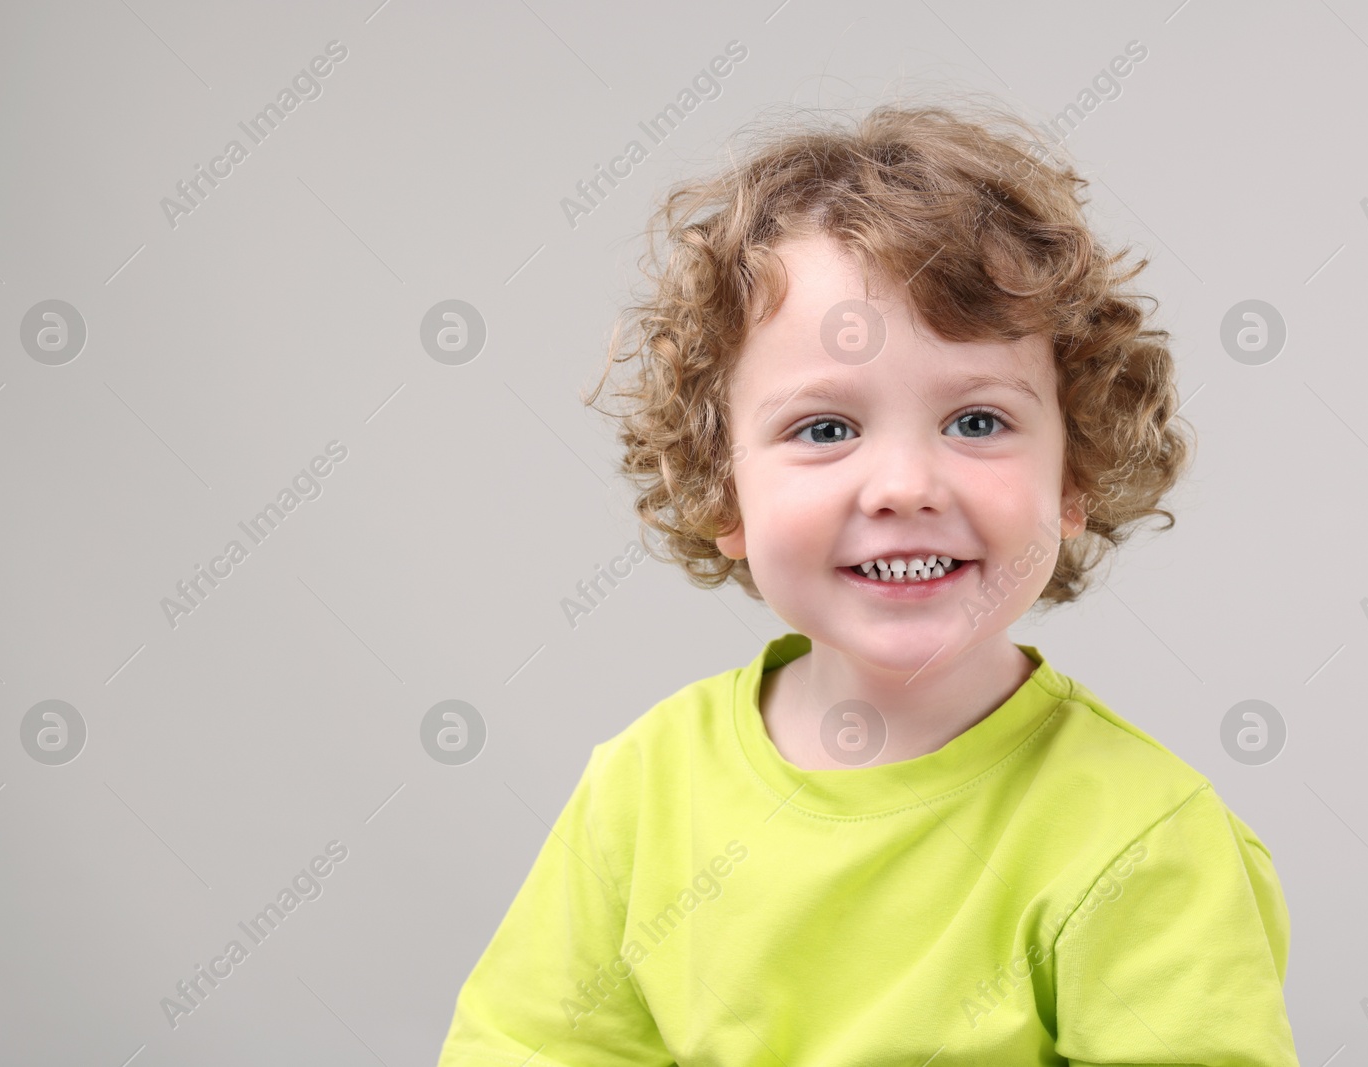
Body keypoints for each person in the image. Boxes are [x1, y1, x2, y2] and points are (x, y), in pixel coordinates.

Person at [436, 97, 1300, 1065]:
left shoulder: (1144, 838)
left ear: (1075, 475)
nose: (902, 486)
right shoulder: (641, 792)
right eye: (824, 428)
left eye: (975, 420)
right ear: (722, 488)